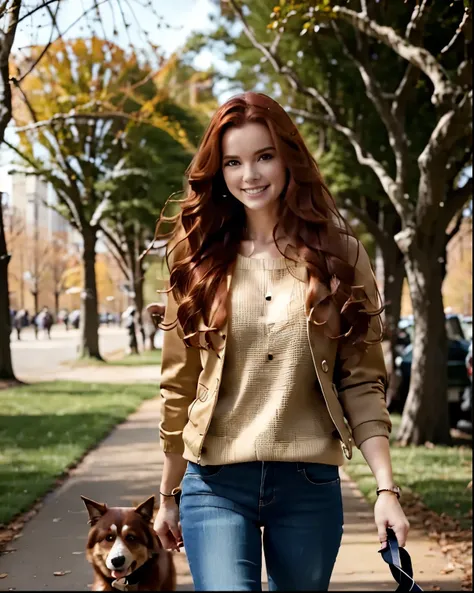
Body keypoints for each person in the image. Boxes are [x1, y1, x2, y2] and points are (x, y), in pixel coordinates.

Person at [152, 92, 409, 591]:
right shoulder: (197, 256)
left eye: (264, 156)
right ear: (219, 171)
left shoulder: (341, 256)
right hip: (216, 482)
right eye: (233, 161)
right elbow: (179, 386)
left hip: (308, 482)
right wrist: (167, 494)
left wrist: (386, 489)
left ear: (288, 157)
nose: (250, 174)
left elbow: (362, 382)